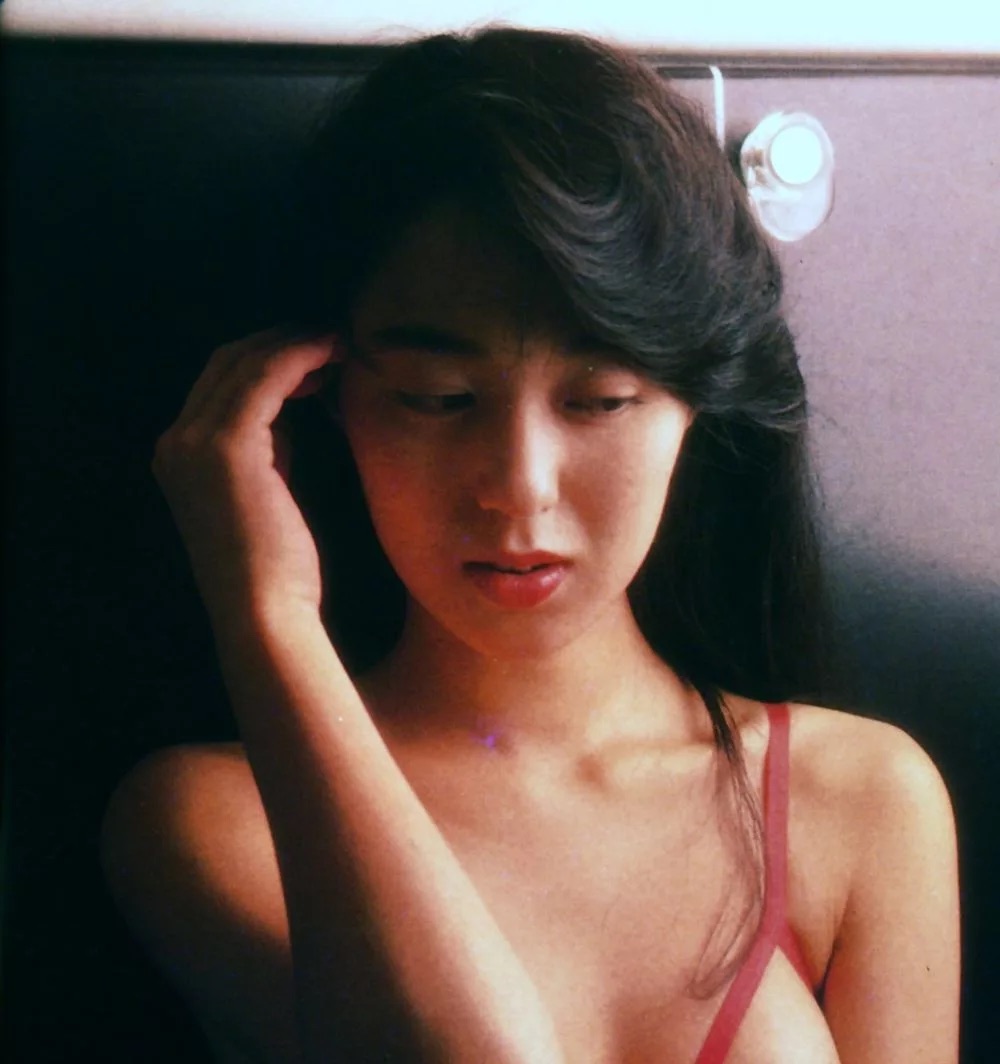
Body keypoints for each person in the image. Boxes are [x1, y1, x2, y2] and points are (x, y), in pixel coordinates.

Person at [100, 25, 960, 1064]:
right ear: (319, 394)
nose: (519, 487)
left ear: (693, 404)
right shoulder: (213, 815)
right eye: (438, 397)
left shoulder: (860, 799)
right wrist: (271, 616)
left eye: (599, 399)